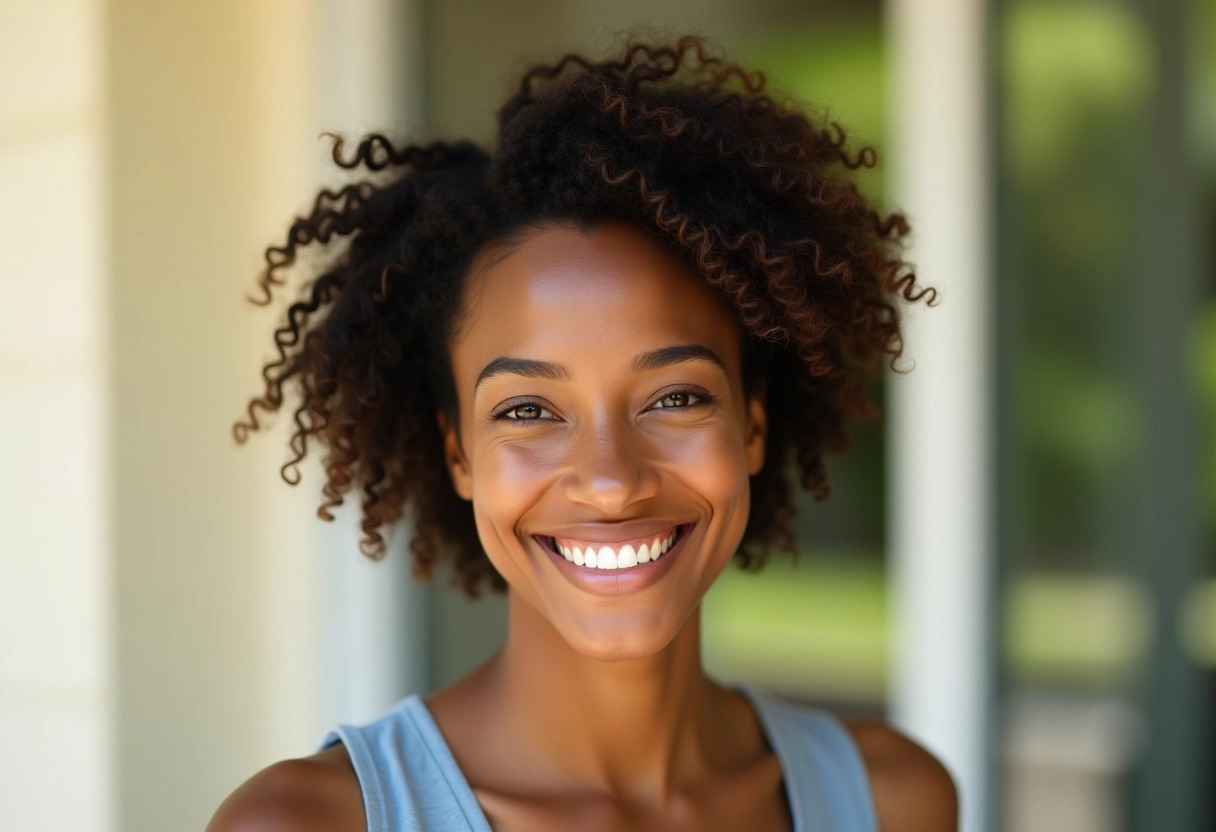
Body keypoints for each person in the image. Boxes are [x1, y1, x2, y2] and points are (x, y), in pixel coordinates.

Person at [208, 34, 956, 832]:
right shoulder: (305, 823)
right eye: (527, 410)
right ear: (459, 453)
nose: (610, 480)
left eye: (673, 397)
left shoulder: (892, 801)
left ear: (753, 427)